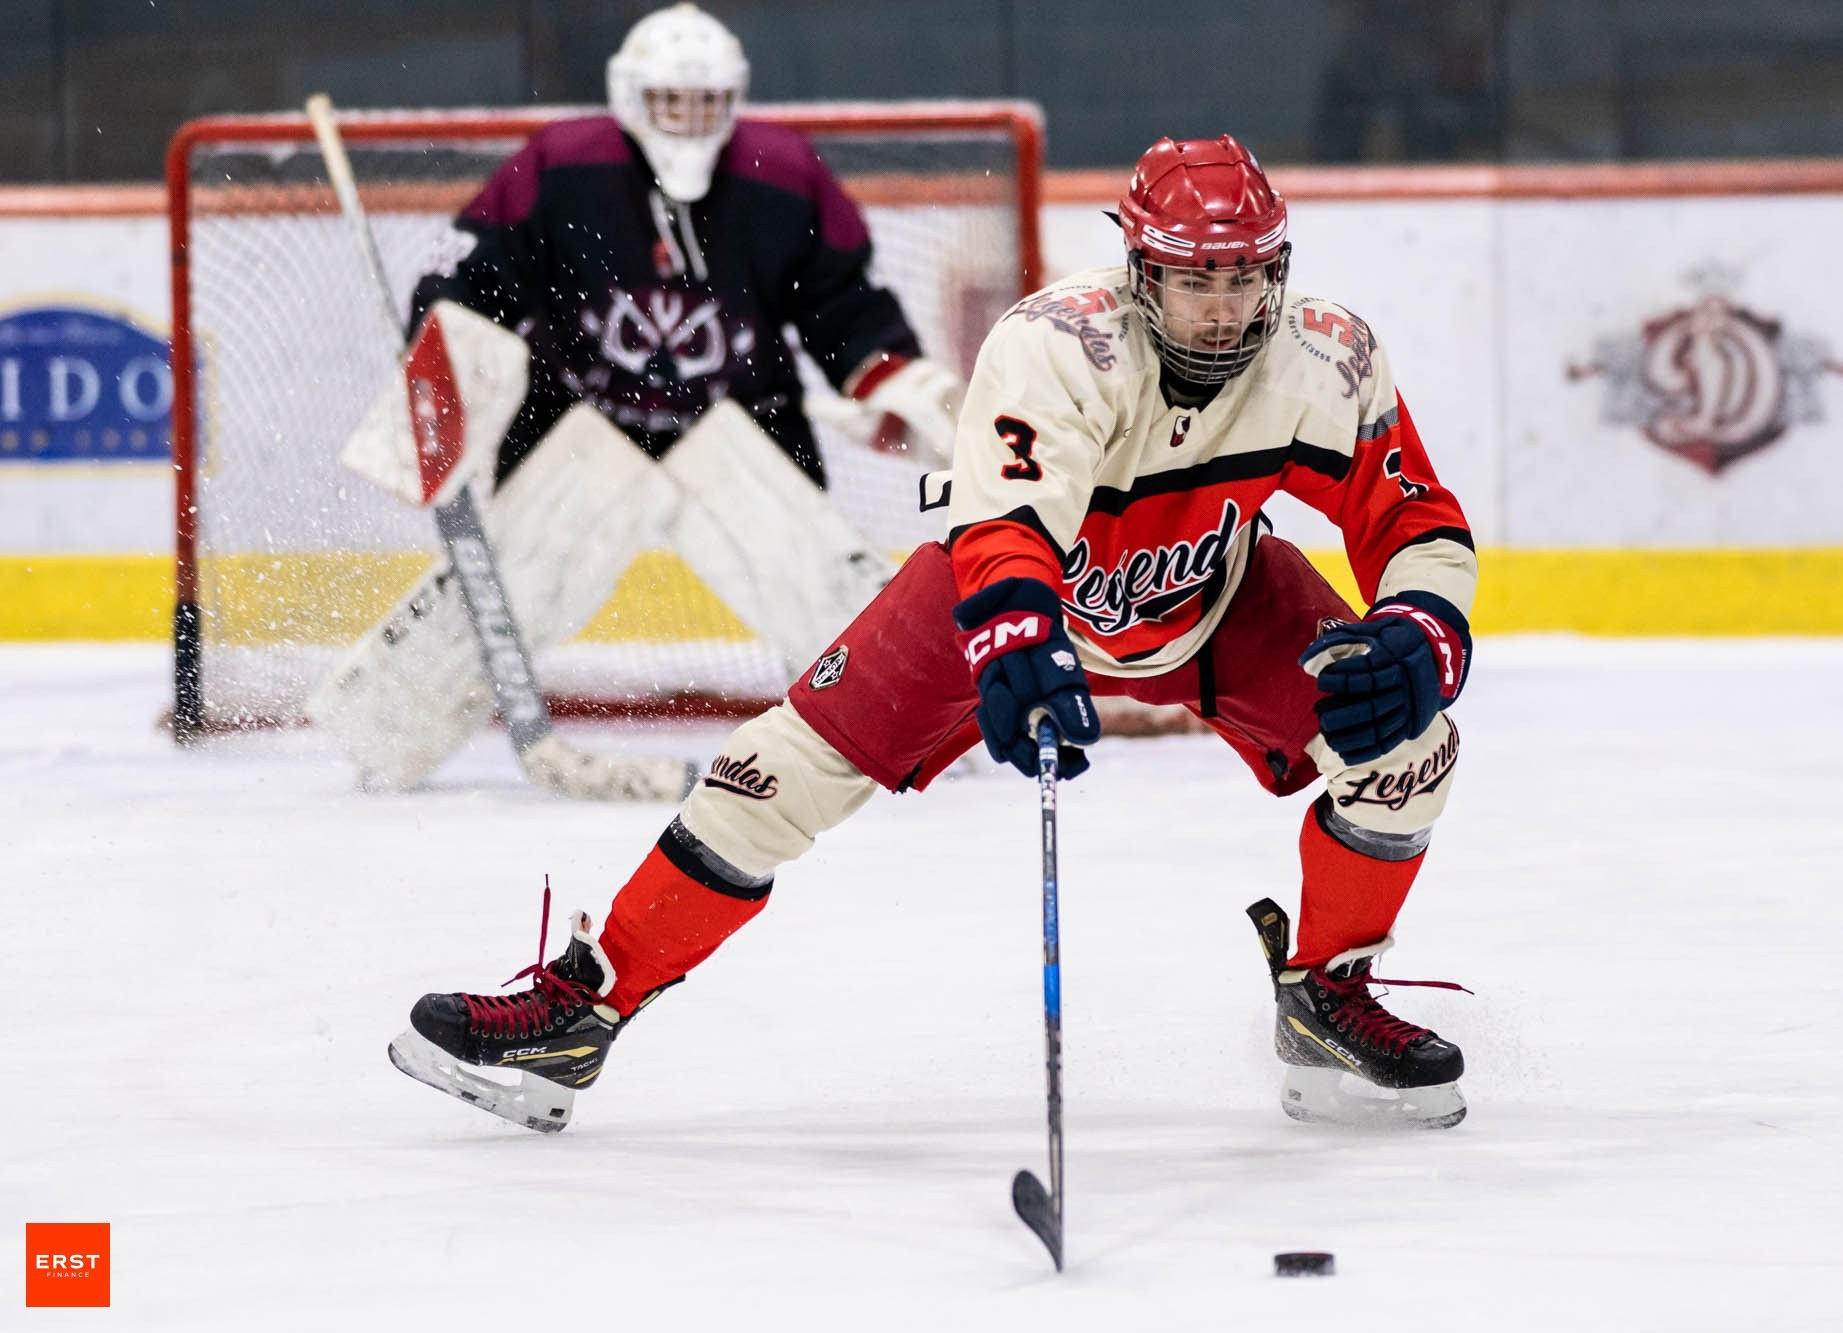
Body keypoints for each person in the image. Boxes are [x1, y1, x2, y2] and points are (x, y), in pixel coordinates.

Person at [388, 134, 1481, 1133]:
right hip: (1016, 589)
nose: (1224, 309)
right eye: (1195, 278)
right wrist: (1013, 637)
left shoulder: (1326, 355)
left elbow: (1413, 518)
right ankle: (583, 1009)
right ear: (1140, 270)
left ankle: (1325, 997)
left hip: (1213, 593)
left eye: (1246, 275)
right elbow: (1004, 526)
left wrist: (1423, 631)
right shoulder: (1057, 345)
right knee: (769, 771)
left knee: (1412, 749)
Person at [411, 1, 961, 488]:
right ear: (628, 95)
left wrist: (888, 373)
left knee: (810, 595)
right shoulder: (563, 166)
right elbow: (476, 271)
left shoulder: (783, 179)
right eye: (669, 102)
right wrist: (446, 346)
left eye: (707, 103)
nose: (689, 122)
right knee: (519, 587)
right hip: (575, 413)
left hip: (746, 419)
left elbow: (841, 302)